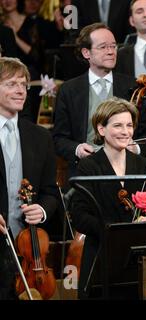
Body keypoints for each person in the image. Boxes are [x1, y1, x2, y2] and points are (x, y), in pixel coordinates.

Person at [70, 97, 146, 299]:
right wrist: (113, 231)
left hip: (135, 262)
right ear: (101, 129)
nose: (125, 131)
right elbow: (79, 215)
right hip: (100, 258)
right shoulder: (89, 166)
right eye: (118, 125)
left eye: (129, 125)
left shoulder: (142, 165)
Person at [53, 23, 146, 178]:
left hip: (127, 172)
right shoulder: (68, 90)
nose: (111, 51)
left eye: (113, 46)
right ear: (86, 53)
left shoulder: (134, 86)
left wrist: (135, 148)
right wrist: (77, 149)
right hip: (85, 173)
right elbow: (59, 138)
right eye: (103, 47)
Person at [0, 57, 58, 299]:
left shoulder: (40, 136)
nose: (20, 90)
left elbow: (50, 191)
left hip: (28, 249)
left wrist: (42, 210)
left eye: (23, 85)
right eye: (12, 84)